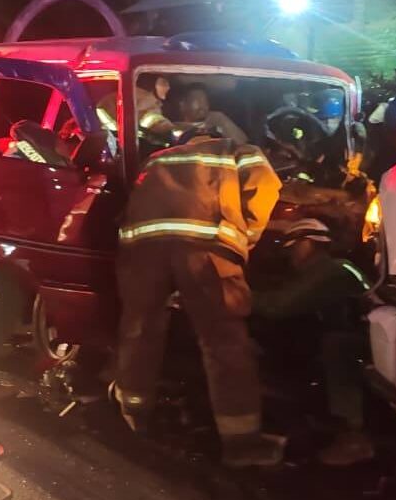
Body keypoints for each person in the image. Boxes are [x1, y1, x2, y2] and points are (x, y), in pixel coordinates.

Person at [112, 128, 283, 467]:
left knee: (139, 329)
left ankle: (132, 414)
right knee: (223, 340)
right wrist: (242, 238)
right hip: (204, 249)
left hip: (142, 251)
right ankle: (241, 441)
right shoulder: (234, 149)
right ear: (211, 135)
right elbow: (265, 187)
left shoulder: (157, 159)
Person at [251, 219, 374, 466]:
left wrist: (235, 296)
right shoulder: (320, 272)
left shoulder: (334, 270)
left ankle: (354, 435)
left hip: (368, 343)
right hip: (356, 336)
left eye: (292, 248)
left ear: (309, 244)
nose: (289, 256)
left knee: (337, 345)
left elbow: (280, 305)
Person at [0, 120, 70, 398]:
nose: (64, 150)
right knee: (4, 303)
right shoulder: (14, 165)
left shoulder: (19, 162)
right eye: (60, 145)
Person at [167, 83, 249, 144]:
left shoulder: (217, 125)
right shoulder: (172, 128)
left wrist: (223, 121)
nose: (203, 106)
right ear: (182, 105)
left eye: (205, 102)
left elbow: (242, 143)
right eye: (198, 101)